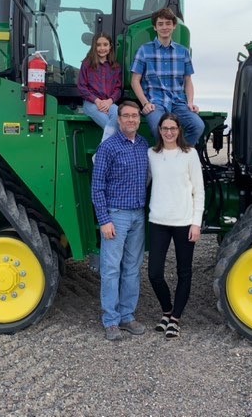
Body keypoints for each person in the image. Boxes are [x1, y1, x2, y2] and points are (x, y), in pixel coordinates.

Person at [91, 101, 150, 341]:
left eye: (135, 116)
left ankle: (127, 316)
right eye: (126, 116)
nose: (131, 120)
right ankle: (111, 320)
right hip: (116, 216)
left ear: (139, 119)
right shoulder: (109, 147)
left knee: (132, 269)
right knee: (111, 268)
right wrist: (104, 220)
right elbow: (97, 187)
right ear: (119, 119)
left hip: (138, 215)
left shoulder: (143, 145)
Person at [147, 113, 204, 339]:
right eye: (164, 128)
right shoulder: (152, 154)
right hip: (158, 221)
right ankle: (166, 310)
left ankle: (175, 319)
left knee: (184, 272)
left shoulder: (190, 154)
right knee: (154, 273)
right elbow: (144, 182)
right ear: (159, 131)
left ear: (179, 130)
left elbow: (198, 190)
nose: (169, 132)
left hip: (183, 222)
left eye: (173, 128)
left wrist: (196, 223)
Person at [130, 7, 205, 145]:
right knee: (157, 127)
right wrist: (145, 103)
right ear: (155, 27)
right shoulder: (144, 50)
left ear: (174, 26)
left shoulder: (183, 52)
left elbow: (188, 80)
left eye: (168, 23)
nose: (164, 27)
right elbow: (135, 81)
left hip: (178, 102)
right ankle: (166, 157)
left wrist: (190, 102)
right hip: (155, 103)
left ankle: (181, 155)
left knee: (198, 126)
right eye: (160, 24)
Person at [77, 33, 122, 142]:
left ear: (110, 46)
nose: (102, 48)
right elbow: (82, 87)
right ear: (94, 46)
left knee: (118, 113)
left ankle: (100, 154)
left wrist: (109, 102)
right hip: (91, 103)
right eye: (99, 45)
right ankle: (104, 154)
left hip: (109, 103)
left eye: (105, 45)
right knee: (109, 125)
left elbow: (118, 88)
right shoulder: (87, 64)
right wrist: (97, 101)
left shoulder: (115, 66)